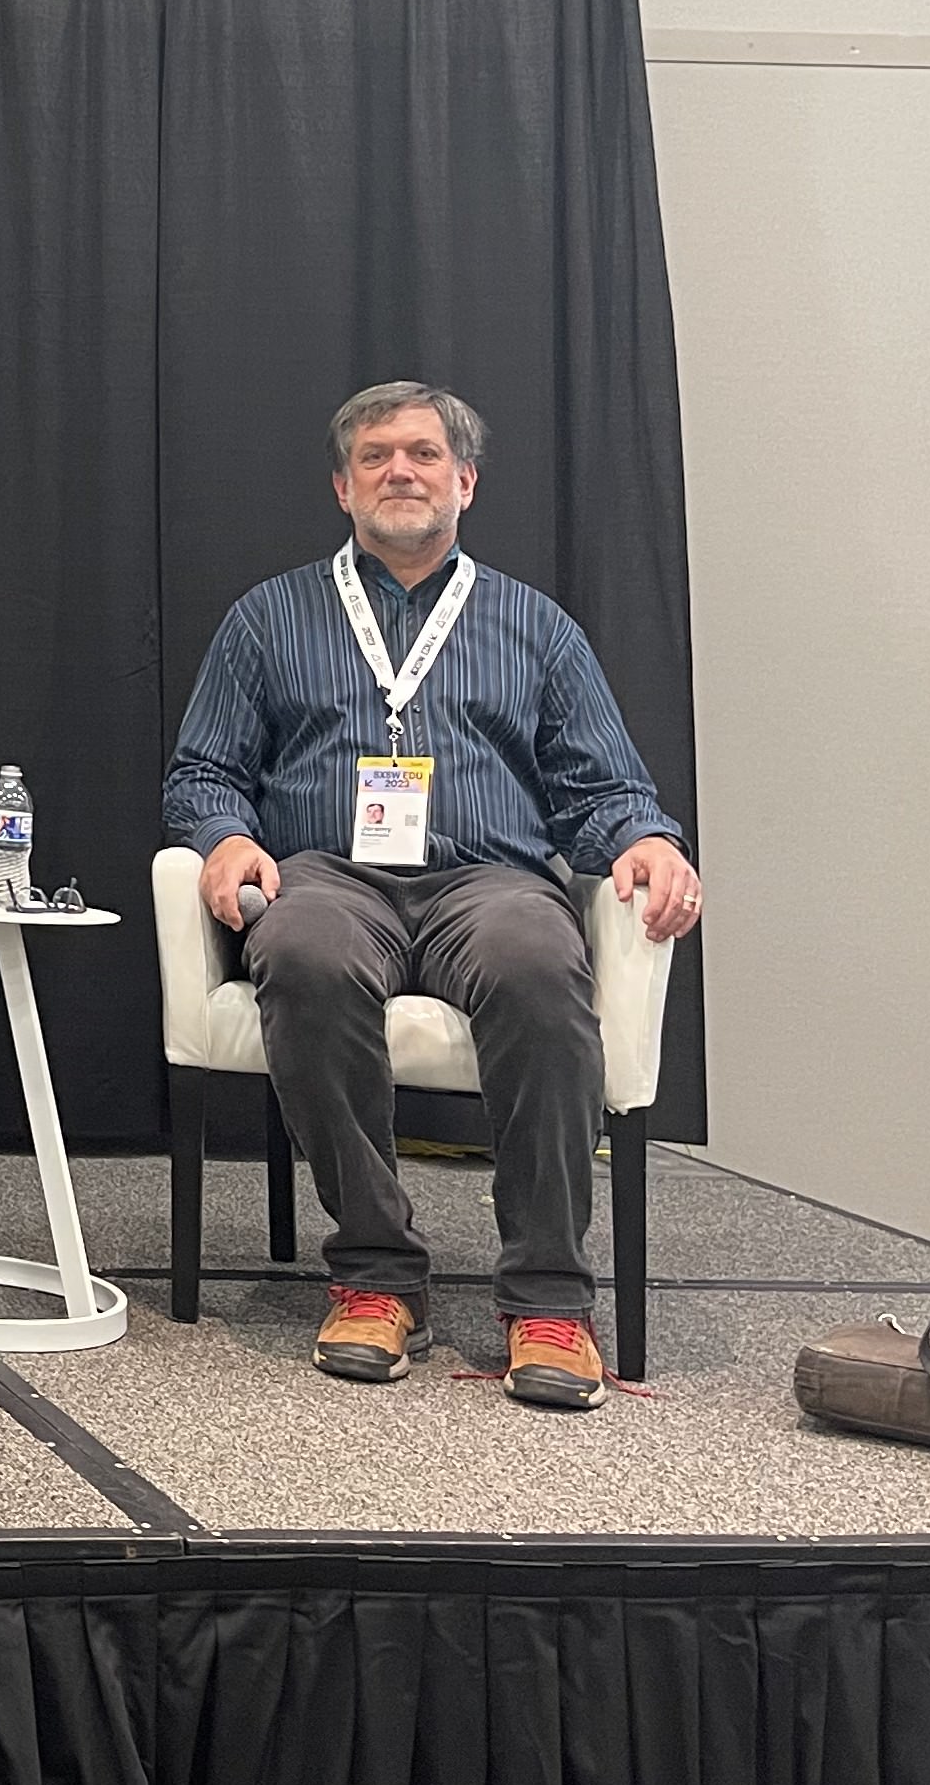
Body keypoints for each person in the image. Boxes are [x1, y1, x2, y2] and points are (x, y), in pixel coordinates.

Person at [164, 380, 701, 1412]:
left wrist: (645, 839)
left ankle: (547, 1295)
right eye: (375, 457)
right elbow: (202, 774)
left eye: (420, 454)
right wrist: (225, 839)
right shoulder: (268, 618)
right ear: (341, 487)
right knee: (303, 950)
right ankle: (374, 1273)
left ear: (466, 482)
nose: (398, 471)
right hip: (329, 874)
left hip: (488, 878)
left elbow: (605, 785)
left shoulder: (536, 627)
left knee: (541, 964)